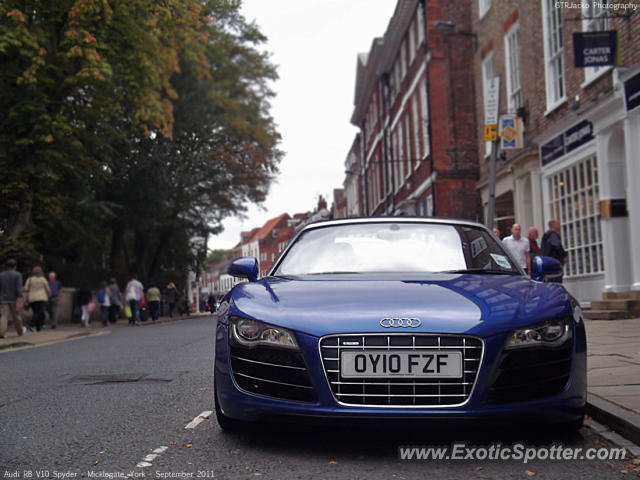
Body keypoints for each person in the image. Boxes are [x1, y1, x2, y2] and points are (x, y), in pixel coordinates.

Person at [0, 259, 26, 338]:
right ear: (15, 266)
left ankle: (2, 333)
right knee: (16, 316)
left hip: (3, 298)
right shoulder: (17, 275)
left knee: (4, 316)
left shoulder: (1, 275)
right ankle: (19, 331)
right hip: (14, 299)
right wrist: (20, 297)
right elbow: (19, 287)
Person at [24, 266, 51, 332]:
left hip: (32, 298)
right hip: (41, 298)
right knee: (40, 312)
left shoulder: (30, 279)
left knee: (35, 311)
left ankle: (37, 327)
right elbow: (47, 289)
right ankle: (32, 324)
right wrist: (49, 295)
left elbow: (26, 288)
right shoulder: (42, 279)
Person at [541, 218, 568, 283]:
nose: (559, 226)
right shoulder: (553, 235)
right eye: (558, 224)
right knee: (557, 280)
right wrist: (563, 256)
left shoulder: (545, 236)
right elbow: (557, 246)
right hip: (555, 261)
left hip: (547, 262)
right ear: (553, 225)